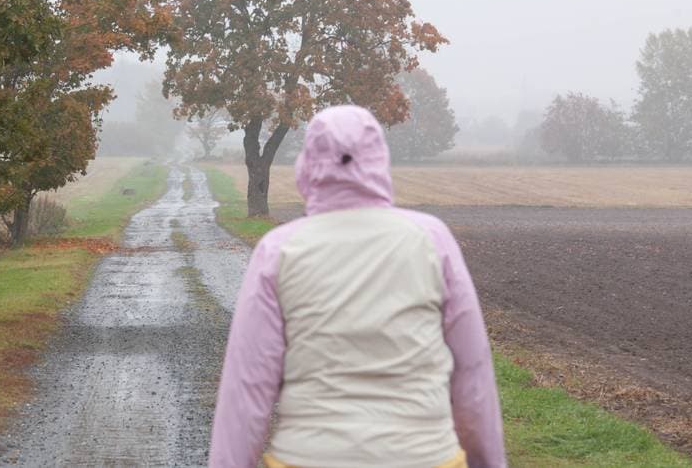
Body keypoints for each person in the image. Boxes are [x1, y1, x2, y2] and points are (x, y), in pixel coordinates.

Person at [209, 105, 506, 468]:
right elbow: (472, 372)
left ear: (308, 164)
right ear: (379, 160)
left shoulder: (278, 251)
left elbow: (247, 387)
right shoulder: (431, 240)